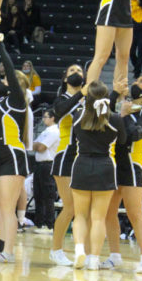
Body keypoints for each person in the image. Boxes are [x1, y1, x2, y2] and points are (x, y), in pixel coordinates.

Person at [69, 81, 128, 270]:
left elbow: (72, 142)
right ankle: (94, 259)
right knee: (98, 218)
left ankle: (79, 250)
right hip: (105, 167)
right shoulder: (116, 119)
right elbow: (123, 142)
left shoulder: (78, 116)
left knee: (79, 216)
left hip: (82, 165)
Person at [104, 75, 142, 273]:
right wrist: (115, 94)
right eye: (136, 81)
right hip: (113, 163)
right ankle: (114, 255)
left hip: (132, 164)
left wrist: (124, 115)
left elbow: (135, 134)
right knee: (108, 213)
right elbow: (103, 113)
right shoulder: (121, 106)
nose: (135, 84)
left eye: (141, 82)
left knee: (134, 212)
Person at [0, 39, 31, 263]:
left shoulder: (18, 101)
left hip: (13, 156)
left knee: (6, 207)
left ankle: (8, 252)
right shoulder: (0, 99)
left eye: (8, 80)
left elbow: (9, 71)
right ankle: (1, 250)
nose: (3, 81)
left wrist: (2, 46)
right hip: (0, 159)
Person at [49, 64, 84, 266]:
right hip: (65, 155)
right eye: (71, 71)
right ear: (65, 79)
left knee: (82, 209)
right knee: (69, 207)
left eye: (79, 71)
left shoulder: (90, 99)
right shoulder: (61, 99)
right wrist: (81, 95)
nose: (76, 74)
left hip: (84, 157)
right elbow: (60, 112)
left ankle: (85, 251)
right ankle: (56, 250)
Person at [32, 109, 59, 234]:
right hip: (38, 164)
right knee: (38, 194)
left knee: (48, 195)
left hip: (48, 164)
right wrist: (36, 145)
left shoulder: (54, 132)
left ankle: (49, 225)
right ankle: (39, 223)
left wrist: (37, 145)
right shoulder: (45, 131)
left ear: (53, 118)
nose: (43, 119)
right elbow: (32, 145)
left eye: (46, 117)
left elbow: (41, 147)